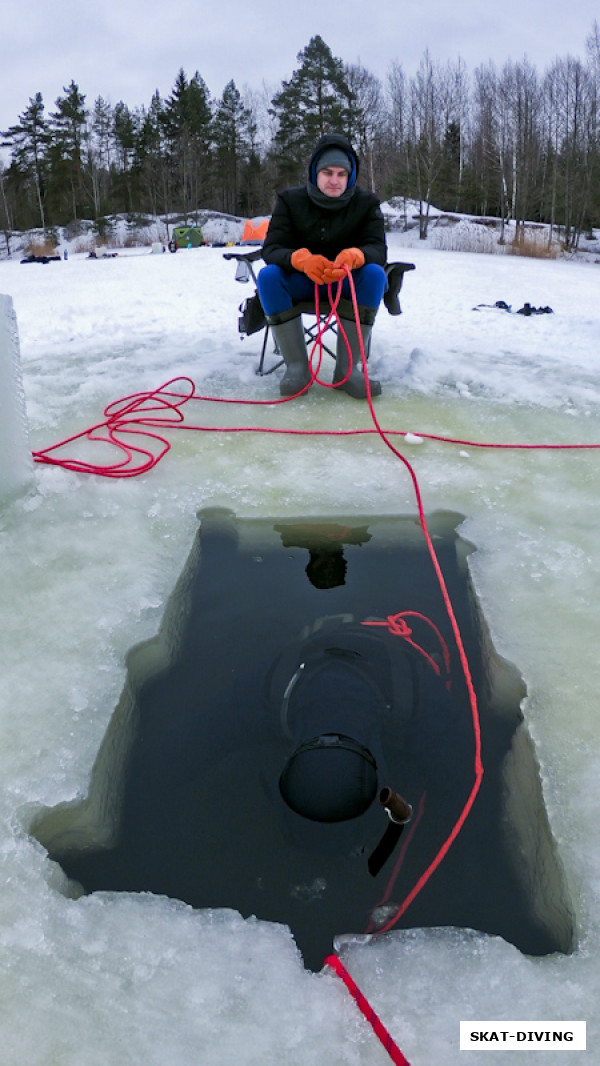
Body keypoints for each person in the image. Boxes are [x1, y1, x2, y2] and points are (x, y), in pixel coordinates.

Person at [257, 133, 388, 399]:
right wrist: (300, 260)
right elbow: (271, 249)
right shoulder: (289, 201)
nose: (334, 180)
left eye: (342, 173)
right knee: (268, 276)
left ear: (350, 176)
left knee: (375, 273)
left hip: (346, 285)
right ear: (315, 172)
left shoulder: (367, 203)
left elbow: (378, 249)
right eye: (327, 172)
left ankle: (348, 372)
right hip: (302, 284)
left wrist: (356, 256)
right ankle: (297, 370)